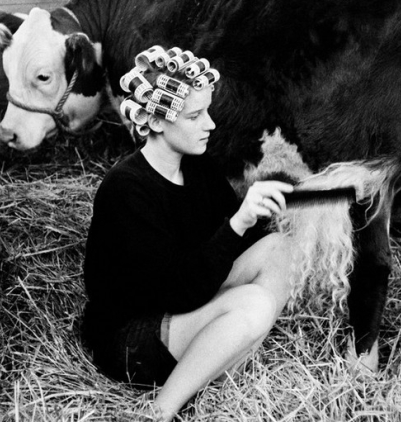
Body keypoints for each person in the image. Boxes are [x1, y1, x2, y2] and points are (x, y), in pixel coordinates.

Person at [81, 47, 296, 421]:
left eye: (207, 111)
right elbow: (179, 291)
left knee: (280, 247)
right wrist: (238, 223)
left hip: (186, 302)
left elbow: (230, 243)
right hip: (134, 337)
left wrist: (265, 211)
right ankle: (161, 410)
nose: (210, 124)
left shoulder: (198, 167)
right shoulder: (126, 189)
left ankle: (219, 363)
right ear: (158, 121)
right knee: (254, 303)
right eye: (195, 115)